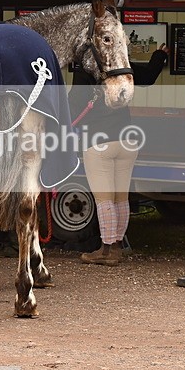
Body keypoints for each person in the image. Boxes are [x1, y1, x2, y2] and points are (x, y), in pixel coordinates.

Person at [69, 44, 169, 265]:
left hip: (99, 142)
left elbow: (74, 105)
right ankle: (118, 245)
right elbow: (150, 76)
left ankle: (107, 250)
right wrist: (160, 55)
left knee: (104, 199)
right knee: (120, 197)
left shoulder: (85, 71)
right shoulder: (121, 66)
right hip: (127, 140)